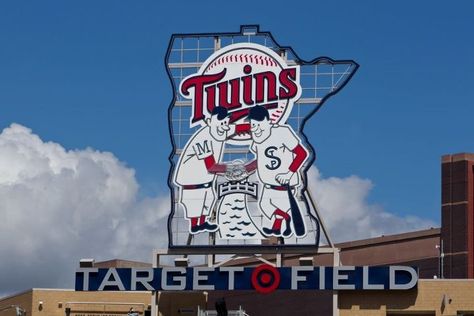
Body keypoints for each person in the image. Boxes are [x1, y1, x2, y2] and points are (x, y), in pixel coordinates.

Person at [173, 106, 248, 234]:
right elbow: (211, 166)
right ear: (210, 121)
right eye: (221, 122)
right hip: (191, 182)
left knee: (208, 200)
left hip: (205, 181)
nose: (224, 125)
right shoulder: (203, 138)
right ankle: (195, 225)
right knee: (195, 205)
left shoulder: (220, 130)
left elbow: (239, 128)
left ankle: (202, 223)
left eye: (226, 122)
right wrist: (234, 168)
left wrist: (262, 126)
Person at [247, 105, 309, 237]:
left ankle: (283, 221)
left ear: (267, 121)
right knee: (265, 206)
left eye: (257, 124)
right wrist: (245, 169)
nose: (255, 128)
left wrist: (289, 173)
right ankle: (283, 221)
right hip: (268, 185)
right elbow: (261, 160)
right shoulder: (257, 139)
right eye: (252, 125)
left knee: (271, 205)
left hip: (284, 185)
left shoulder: (282, 132)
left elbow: (302, 153)